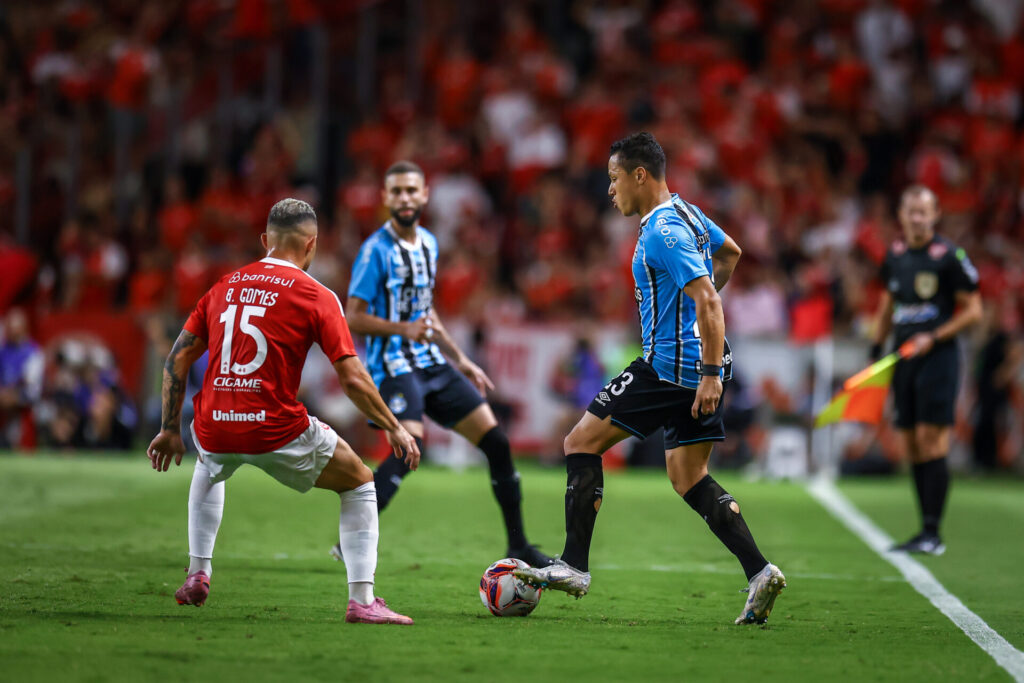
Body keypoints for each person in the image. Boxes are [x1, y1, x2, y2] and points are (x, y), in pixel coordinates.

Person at [515, 133, 785, 625]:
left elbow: (708, 298)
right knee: (689, 477)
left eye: (615, 179)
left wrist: (704, 374)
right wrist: (703, 349)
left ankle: (574, 565)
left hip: (671, 369)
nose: (611, 190)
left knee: (579, 442)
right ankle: (760, 571)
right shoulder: (690, 213)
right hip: (703, 363)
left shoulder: (663, 230)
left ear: (640, 175)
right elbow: (731, 255)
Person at [146, 198, 419, 625]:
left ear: (264, 240)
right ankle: (363, 600)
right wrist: (395, 427)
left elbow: (177, 359)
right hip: (274, 427)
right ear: (311, 245)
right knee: (362, 483)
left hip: (214, 424)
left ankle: (199, 571)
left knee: (209, 461)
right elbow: (352, 378)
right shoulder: (317, 295)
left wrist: (168, 429)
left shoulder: (223, 285)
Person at [328, 161, 552, 569]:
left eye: (411, 190)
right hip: (393, 363)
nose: (405, 198)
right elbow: (352, 315)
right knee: (407, 447)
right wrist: (401, 328)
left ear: (424, 195)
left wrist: (461, 358)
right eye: (396, 192)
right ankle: (352, 541)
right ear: (386, 198)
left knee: (497, 443)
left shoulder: (429, 244)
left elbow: (426, 314)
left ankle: (518, 546)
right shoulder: (374, 251)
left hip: (432, 362)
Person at [870, 185, 982, 554]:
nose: (917, 218)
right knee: (912, 444)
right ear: (901, 216)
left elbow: (973, 310)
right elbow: (887, 306)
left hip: (938, 359)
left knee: (931, 438)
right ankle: (924, 531)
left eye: (924, 212)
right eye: (911, 212)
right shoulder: (896, 255)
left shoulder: (950, 256)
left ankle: (933, 532)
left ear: (935, 216)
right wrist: (875, 349)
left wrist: (933, 338)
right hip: (903, 358)